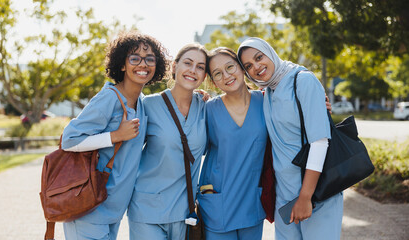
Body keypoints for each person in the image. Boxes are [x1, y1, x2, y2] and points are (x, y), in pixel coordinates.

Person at [60, 31, 168, 240]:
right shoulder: (109, 98)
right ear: (122, 64)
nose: (142, 64)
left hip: (113, 210)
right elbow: (69, 140)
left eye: (149, 59)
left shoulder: (142, 103)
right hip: (88, 209)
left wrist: (195, 97)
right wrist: (115, 135)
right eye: (134, 58)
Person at [238, 37, 343, 240]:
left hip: (317, 191)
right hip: (285, 195)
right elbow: (235, 101)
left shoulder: (302, 79)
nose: (257, 67)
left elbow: (320, 142)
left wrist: (305, 196)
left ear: (270, 53)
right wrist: (200, 97)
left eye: (259, 57)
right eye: (249, 66)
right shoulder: (267, 91)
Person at [127, 43, 209, 240]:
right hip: (147, 209)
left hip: (185, 213)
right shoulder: (148, 105)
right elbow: (126, 152)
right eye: (187, 63)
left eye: (200, 66)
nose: (192, 70)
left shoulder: (207, 108)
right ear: (174, 67)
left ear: (205, 76)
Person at [198, 47, 267, 240]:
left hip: (252, 202)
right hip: (219, 203)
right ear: (213, 81)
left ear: (242, 68)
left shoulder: (266, 101)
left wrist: (320, 105)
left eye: (230, 67)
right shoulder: (208, 109)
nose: (227, 75)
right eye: (218, 73)